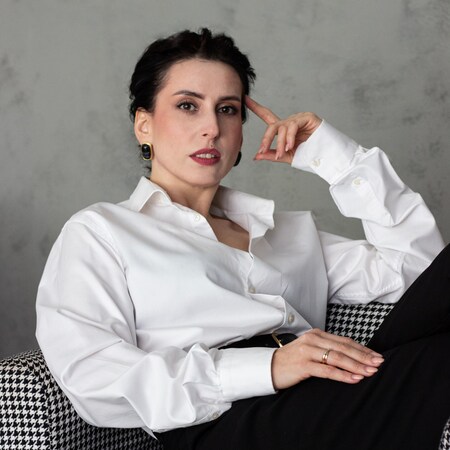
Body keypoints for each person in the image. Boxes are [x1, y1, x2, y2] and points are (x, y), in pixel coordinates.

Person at [35, 28, 449, 449]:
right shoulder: (101, 231)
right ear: (145, 125)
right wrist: (269, 366)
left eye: (227, 110)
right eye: (187, 106)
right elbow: (93, 376)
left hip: (321, 395)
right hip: (226, 422)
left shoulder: (285, 232)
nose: (211, 128)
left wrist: (335, 159)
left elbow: (422, 275)